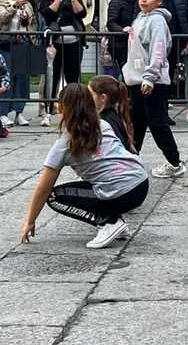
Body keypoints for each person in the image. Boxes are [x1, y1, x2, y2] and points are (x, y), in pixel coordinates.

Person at [20, 83, 149, 250]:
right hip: (141, 182)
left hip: (121, 192)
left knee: (53, 197)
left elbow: (43, 189)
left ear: (62, 109)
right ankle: (116, 220)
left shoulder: (65, 144)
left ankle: (108, 222)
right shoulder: (103, 125)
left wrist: (30, 221)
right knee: (94, 183)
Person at [123, 0, 185, 178]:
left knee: (156, 122)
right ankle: (131, 158)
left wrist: (149, 77)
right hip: (137, 78)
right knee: (137, 121)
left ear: (159, 1)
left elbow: (158, 50)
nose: (144, 0)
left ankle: (174, 161)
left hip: (152, 81)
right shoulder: (141, 18)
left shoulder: (157, 21)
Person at [38, 0, 86, 120]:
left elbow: (81, 13)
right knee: (52, 75)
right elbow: (47, 14)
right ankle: (48, 109)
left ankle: (74, 108)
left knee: (73, 75)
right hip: (54, 43)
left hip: (73, 41)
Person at [0, 0, 37, 127]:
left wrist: (26, 19)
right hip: (6, 43)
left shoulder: (27, 3)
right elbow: (2, 17)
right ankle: (3, 113)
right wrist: (14, 7)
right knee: (6, 77)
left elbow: (32, 23)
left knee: (22, 79)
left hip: (23, 43)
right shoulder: (0, 1)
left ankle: (19, 112)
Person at [88, 75, 137, 153]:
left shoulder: (107, 121)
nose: (87, 97)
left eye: (90, 94)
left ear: (103, 98)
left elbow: (117, 148)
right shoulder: (114, 114)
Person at [106, 0, 141, 74]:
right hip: (120, 44)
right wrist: (123, 30)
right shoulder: (117, 1)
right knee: (126, 73)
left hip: (137, 43)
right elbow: (111, 23)